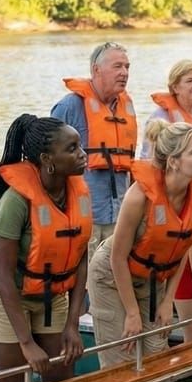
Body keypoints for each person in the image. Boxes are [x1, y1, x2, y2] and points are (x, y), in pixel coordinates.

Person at [0, 114, 89, 382]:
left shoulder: (78, 194)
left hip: (52, 296)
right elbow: (3, 275)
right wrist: (26, 342)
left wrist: (73, 324)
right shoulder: (15, 202)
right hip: (8, 296)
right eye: (72, 148)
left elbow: (81, 258)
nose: (82, 154)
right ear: (47, 159)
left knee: (61, 380)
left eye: (80, 146)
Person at [87, 120, 192, 368]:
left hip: (153, 281)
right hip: (111, 276)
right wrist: (132, 313)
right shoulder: (139, 197)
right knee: (124, 353)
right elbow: (117, 258)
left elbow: (182, 249)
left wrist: (168, 301)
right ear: (173, 161)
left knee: (157, 352)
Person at [51, 41, 137, 259]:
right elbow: (47, 161)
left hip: (119, 214)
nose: (124, 73)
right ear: (96, 70)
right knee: (84, 279)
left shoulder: (127, 106)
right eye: (117, 66)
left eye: (127, 67)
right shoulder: (69, 106)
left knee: (112, 277)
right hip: (83, 215)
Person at [141, 58, 192, 173]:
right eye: (190, 81)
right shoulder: (160, 117)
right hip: (175, 179)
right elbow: (147, 157)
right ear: (175, 88)